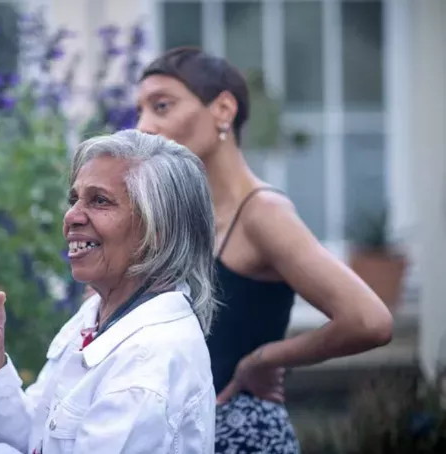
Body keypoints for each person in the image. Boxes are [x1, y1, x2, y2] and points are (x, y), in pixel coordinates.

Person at [136, 47, 394, 453]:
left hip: (242, 435)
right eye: (140, 111)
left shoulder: (263, 213)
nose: (144, 126)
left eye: (161, 106)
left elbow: (369, 320)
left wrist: (264, 360)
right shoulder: (181, 217)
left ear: (223, 109)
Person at [0, 129, 218, 453]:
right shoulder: (97, 314)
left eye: (99, 200)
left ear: (158, 229)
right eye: (74, 199)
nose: (71, 217)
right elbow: (32, 434)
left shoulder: (146, 363)